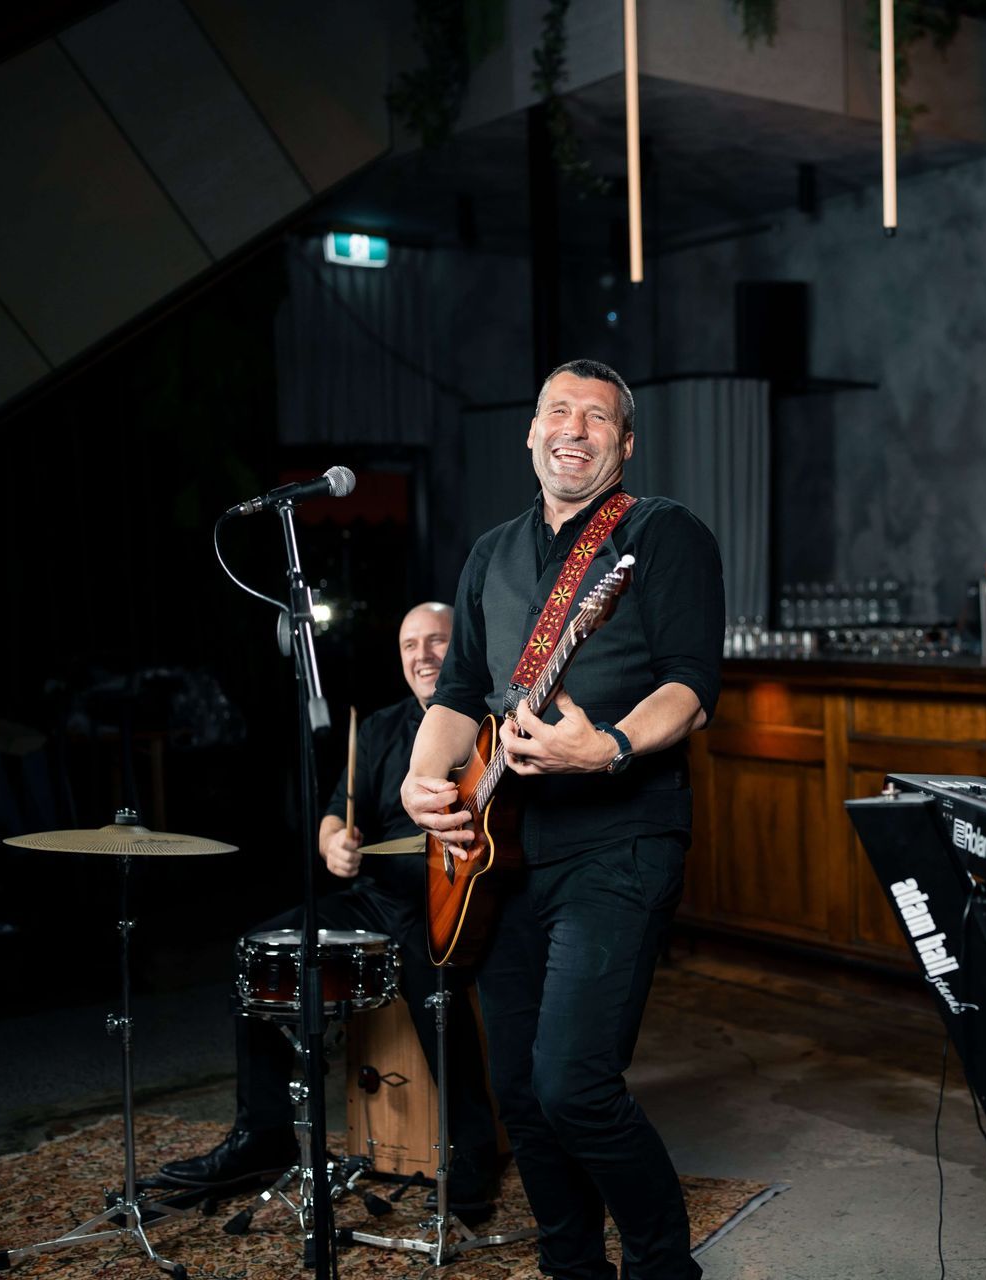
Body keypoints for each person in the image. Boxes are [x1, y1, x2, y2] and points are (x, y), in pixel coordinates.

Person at [402, 358, 723, 1280]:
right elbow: (460, 694)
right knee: (519, 1093)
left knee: (573, 1085)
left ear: (623, 444)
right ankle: (569, 1268)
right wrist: (425, 784)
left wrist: (610, 747)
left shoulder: (661, 535)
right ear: (530, 431)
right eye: (556, 411)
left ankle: (665, 1268)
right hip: (498, 852)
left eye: (596, 417)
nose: (572, 428)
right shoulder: (491, 554)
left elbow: (692, 687)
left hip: (621, 840)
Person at [159, 603, 503, 1215]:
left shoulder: (492, 726)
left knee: (436, 993)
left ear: (463, 649)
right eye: (409, 645)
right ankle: (264, 1135)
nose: (422, 655)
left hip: (454, 900)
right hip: (377, 897)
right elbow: (338, 814)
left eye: (437, 641)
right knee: (262, 952)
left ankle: (474, 1150)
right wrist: (334, 844)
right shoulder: (376, 730)